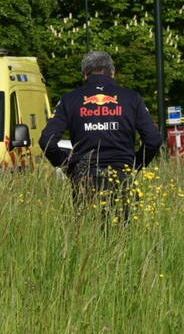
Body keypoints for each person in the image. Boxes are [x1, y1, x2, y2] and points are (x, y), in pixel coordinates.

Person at [39, 50, 161, 220]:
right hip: (121, 176)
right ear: (112, 72)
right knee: (123, 238)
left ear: (84, 75)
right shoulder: (131, 98)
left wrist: (68, 166)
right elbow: (153, 140)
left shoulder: (70, 99)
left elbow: (47, 141)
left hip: (85, 177)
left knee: (88, 238)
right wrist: (135, 166)